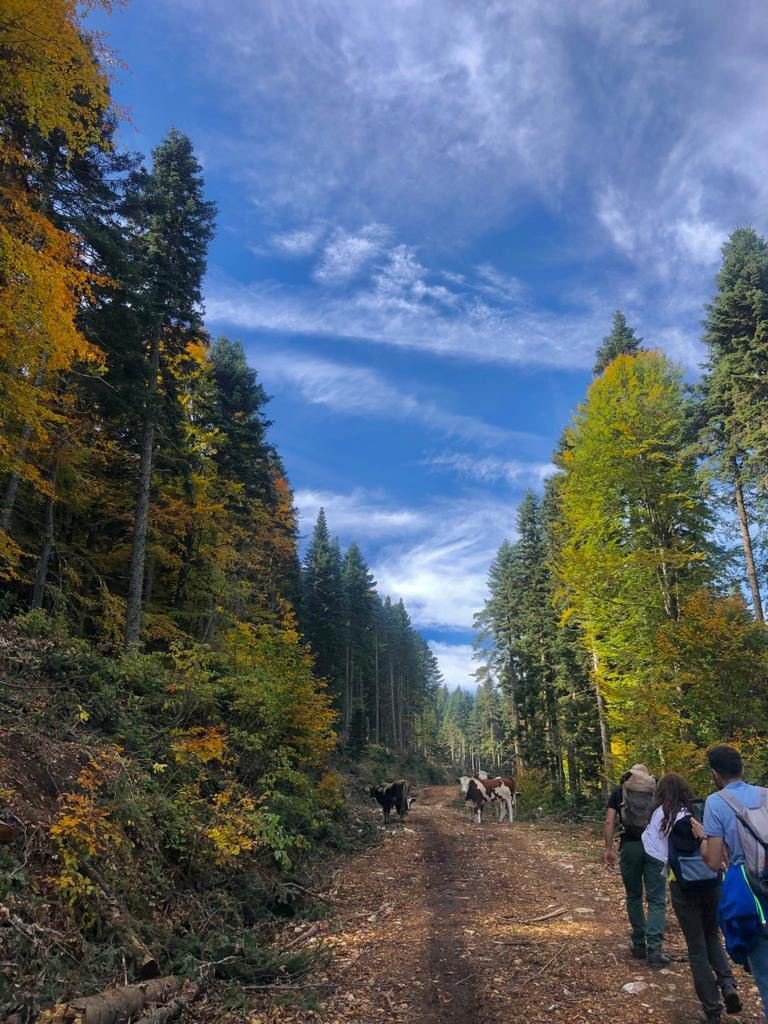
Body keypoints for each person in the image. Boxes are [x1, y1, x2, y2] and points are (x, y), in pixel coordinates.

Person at [643, 772, 740, 1023]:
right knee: (712, 936)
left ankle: (712, 1010)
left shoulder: (661, 817)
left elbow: (654, 850)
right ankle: (727, 983)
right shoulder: (698, 812)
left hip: (683, 886)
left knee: (696, 948)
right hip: (711, 881)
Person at [695, 744, 768, 1019]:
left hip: (751, 894)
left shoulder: (716, 802)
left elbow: (713, 861)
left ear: (715, 774)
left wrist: (702, 837)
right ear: (742, 769)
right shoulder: (765, 794)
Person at [603, 762, 669, 965]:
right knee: (657, 899)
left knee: (634, 895)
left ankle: (639, 943)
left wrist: (608, 848)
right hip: (656, 848)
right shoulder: (658, 791)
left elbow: (609, 821)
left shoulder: (619, 791)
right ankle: (655, 949)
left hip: (630, 846)